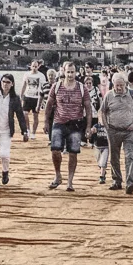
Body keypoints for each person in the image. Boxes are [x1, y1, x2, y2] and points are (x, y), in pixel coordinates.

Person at [43, 61, 88, 191]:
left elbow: (88, 107)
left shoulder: (81, 87)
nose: (70, 75)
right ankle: (58, 175)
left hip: (75, 123)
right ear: (63, 71)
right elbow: (49, 105)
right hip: (59, 122)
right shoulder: (56, 86)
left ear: (76, 72)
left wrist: (88, 126)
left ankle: (70, 181)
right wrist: (46, 121)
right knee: (55, 150)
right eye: (68, 72)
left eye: (72, 72)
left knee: (73, 153)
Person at [99, 72, 133, 193]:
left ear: (125, 84)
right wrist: (106, 126)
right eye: (116, 85)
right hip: (113, 130)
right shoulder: (109, 95)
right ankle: (116, 181)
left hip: (130, 131)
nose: (119, 88)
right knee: (114, 157)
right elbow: (103, 111)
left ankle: (129, 183)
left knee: (130, 156)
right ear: (113, 84)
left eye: (121, 85)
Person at [20, 61, 47, 135]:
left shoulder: (41, 76)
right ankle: (28, 129)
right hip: (27, 96)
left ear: (38, 67)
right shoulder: (26, 74)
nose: (34, 68)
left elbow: (44, 87)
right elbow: (24, 85)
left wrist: (43, 99)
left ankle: (33, 133)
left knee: (35, 116)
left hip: (36, 98)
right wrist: (21, 95)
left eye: (36, 66)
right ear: (30, 66)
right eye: (33, 66)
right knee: (25, 113)